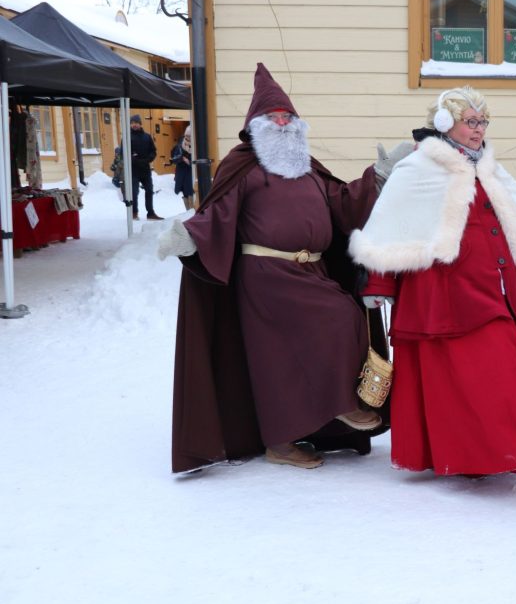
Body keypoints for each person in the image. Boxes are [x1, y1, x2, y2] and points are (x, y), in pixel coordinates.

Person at [351, 86, 516, 477]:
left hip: (497, 286)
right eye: (471, 121)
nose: (479, 129)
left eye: (483, 121)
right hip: (445, 292)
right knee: (467, 378)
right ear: (446, 123)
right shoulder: (419, 169)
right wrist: (379, 285)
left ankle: (501, 450)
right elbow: (387, 227)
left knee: (502, 370)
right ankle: (489, 451)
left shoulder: (488, 166)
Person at [158, 63, 387, 472]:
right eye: (274, 117)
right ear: (255, 126)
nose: (282, 123)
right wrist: (190, 236)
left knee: (336, 323)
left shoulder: (307, 166)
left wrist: (377, 178)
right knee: (322, 328)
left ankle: (320, 418)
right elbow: (219, 211)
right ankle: (318, 419)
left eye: (288, 117)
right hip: (266, 276)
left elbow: (342, 201)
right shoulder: (243, 166)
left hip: (311, 270)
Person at [129, 114, 161, 221]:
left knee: (149, 190)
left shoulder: (147, 137)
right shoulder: (127, 137)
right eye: (132, 123)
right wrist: (135, 160)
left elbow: (153, 151)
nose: (134, 125)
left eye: (136, 123)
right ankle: (134, 212)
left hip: (145, 169)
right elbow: (124, 154)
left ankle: (150, 213)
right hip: (133, 169)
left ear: (140, 124)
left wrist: (148, 159)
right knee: (134, 191)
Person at [170, 124, 194, 210]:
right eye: (186, 135)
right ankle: (188, 211)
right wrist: (181, 158)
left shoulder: (196, 146)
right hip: (181, 174)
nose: (187, 138)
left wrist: (190, 162)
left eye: (189, 136)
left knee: (191, 192)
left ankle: (192, 211)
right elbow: (173, 159)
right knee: (185, 193)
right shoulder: (179, 145)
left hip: (191, 173)